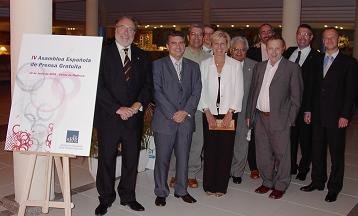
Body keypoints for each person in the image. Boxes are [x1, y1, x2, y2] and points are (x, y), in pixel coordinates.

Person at [94, 16, 153, 215]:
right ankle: (105, 198)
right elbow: (98, 86)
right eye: (123, 28)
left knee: (131, 159)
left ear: (135, 34)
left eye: (131, 30)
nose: (126, 32)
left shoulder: (142, 56)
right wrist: (118, 108)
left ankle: (128, 196)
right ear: (115, 29)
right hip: (109, 116)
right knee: (106, 159)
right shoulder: (102, 54)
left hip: (134, 117)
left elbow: (147, 86)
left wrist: (137, 106)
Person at [300, 27, 357, 202]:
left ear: (338, 39)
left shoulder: (349, 62)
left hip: (336, 116)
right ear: (322, 41)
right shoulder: (316, 60)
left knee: (336, 153)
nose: (329, 40)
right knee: (317, 150)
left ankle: (334, 187)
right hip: (316, 115)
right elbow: (310, 87)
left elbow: (351, 92)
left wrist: (345, 115)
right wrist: (308, 109)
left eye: (332, 37)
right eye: (326, 38)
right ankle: (317, 181)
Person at [246, 35, 303, 199]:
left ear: (283, 48)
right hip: (260, 118)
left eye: (277, 48)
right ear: (266, 48)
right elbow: (253, 93)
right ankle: (267, 182)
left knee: (282, 155)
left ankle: (281, 184)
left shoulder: (292, 68)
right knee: (263, 153)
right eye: (270, 48)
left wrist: (290, 120)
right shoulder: (259, 67)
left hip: (280, 119)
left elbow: (296, 99)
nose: (274, 51)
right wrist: (250, 114)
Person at [152, 31, 201, 206]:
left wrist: (185, 111)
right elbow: (156, 91)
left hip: (186, 120)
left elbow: (196, 92)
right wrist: (174, 113)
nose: (178, 46)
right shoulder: (157, 65)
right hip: (165, 120)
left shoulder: (193, 66)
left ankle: (182, 190)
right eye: (174, 43)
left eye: (181, 43)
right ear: (168, 45)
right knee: (162, 159)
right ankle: (161, 191)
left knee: (183, 157)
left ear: (185, 45)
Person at [198, 30, 244, 196]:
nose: (219, 47)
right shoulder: (204, 64)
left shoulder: (235, 65)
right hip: (209, 113)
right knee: (210, 150)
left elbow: (239, 91)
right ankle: (208, 185)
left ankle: (220, 186)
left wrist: (230, 113)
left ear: (227, 46)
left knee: (225, 150)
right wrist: (207, 111)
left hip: (228, 114)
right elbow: (200, 90)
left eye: (222, 44)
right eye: (216, 43)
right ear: (211, 45)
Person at [168, 24, 211, 189]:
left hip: (199, 107)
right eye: (193, 34)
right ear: (188, 37)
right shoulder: (179, 52)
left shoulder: (208, 58)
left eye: (200, 35)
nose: (197, 38)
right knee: (177, 142)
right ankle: (174, 173)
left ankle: (191, 173)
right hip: (179, 108)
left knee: (196, 142)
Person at [283, 24, 321, 180]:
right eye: (299, 34)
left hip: (305, 107)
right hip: (287, 106)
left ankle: (304, 168)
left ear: (311, 38)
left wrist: (310, 109)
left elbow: (316, 86)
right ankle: (291, 166)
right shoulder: (289, 52)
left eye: (306, 35)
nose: (302, 37)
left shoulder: (317, 57)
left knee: (306, 140)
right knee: (289, 139)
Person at [245, 23, 274, 180]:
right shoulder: (252, 51)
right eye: (263, 32)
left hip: (273, 102)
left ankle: (269, 165)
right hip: (256, 99)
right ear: (259, 35)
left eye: (269, 32)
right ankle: (254, 166)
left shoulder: (279, 51)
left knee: (271, 137)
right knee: (254, 135)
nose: (266, 34)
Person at [229, 36, 257, 184]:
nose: (239, 52)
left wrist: (251, 113)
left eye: (242, 49)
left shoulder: (254, 66)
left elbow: (256, 93)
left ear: (246, 50)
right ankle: (226, 169)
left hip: (245, 112)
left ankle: (237, 172)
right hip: (227, 112)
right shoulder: (223, 64)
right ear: (230, 50)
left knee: (241, 142)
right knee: (226, 143)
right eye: (236, 49)